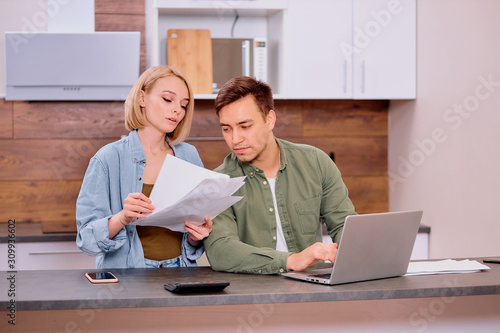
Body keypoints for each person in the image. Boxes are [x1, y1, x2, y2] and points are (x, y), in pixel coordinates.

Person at [204, 76, 356, 274]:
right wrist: (291, 260)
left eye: (245, 126)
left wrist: (352, 258)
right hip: (253, 293)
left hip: (313, 289)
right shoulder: (219, 182)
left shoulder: (316, 162)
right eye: (226, 129)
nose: (235, 139)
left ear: (269, 120)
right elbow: (221, 251)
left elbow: (345, 225)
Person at [76, 65, 213, 269]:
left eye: (184, 105)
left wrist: (197, 236)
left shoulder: (189, 155)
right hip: (128, 278)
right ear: (142, 98)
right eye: (168, 99)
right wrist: (123, 217)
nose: (177, 110)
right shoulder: (108, 158)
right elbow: (87, 240)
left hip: (182, 273)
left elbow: (192, 238)